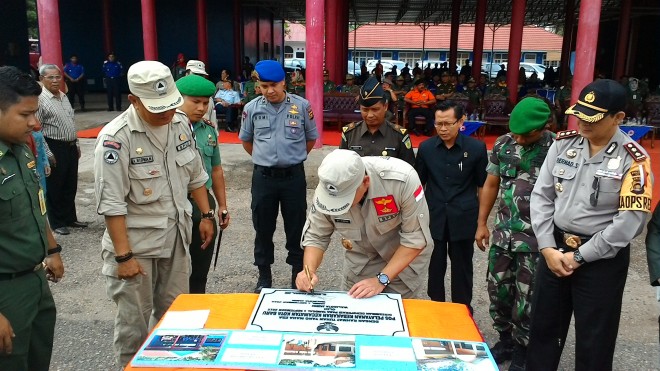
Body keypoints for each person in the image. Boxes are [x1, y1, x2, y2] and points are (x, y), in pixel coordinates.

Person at [94, 61, 214, 367]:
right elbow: (111, 203)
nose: (167, 113)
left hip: (176, 238)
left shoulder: (178, 124)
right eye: (157, 108)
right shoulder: (116, 137)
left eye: (170, 105)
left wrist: (207, 214)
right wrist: (123, 257)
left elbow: (196, 174)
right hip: (137, 248)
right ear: (134, 99)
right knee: (134, 329)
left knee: (177, 320)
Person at [527, 79, 653, 370]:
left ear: (618, 117)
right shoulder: (564, 144)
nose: (583, 122)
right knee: (543, 332)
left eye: (593, 117)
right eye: (581, 114)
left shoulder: (634, 160)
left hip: (601, 261)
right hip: (555, 251)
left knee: (594, 341)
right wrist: (547, 247)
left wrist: (581, 256)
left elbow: (629, 222)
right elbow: (541, 196)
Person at [474, 97, 554, 370]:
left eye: (526, 134)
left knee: (528, 299)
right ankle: (505, 339)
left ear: (544, 126)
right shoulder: (503, 143)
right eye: (516, 132)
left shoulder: (557, 147)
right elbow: (491, 183)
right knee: (498, 292)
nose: (519, 139)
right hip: (503, 235)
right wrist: (482, 223)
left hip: (536, 240)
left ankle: (523, 348)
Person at [296, 149, 433, 298]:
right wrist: (308, 271)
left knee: (396, 315)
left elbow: (415, 238)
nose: (339, 205)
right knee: (353, 314)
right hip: (360, 262)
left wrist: (381, 279)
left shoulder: (402, 180)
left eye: (345, 199)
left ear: (365, 182)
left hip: (403, 263)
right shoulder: (328, 189)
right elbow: (317, 235)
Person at [0, 65, 64, 371]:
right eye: (25, 115)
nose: (35, 123)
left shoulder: (20, 152)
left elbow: (35, 207)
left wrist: (52, 250)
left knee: (38, 360)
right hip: (6, 292)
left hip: (35, 279)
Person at [239, 60, 319, 293]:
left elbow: (310, 138)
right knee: (263, 227)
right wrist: (265, 159)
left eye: (274, 85)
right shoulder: (251, 108)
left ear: (284, 82)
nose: (269, 90)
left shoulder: (302, 106)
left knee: (296, 227)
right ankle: (264, 275)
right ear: (258, 86)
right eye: (264, 86)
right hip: (263, 178)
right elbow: (246, 141)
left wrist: (292, 157)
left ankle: (298, 274)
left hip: (293, 177)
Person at [415, 100, 488, 313]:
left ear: (461, 121)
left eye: (448, 123)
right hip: (434, 215)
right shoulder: (427, 148)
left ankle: (462, 309)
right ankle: (437, 308)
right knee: (435, 266)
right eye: (439, 124)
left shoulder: (476, 148)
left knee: (462, 268)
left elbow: (483, 186)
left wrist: (482, 222)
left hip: (463, 216)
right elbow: (419, 184)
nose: (443, 129)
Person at [175, 75, 231, 293]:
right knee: (173, 267)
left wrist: (222, 206)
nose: (201, 108)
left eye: (205, 103)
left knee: (200, 266)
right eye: (195, 102)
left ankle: (196, 305)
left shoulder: (208, 129)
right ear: (178, 99)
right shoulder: (167, 129)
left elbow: (216, 170)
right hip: (177, 201)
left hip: (203, 203)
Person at [36, 64, 86, 236]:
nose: (56, 80)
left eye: (58, 76)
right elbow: (37, 129)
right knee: (56, 185)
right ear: (42, 79)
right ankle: (57, 222)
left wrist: (77, 144)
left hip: (70, 145)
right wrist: (47, 153)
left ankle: (70, 218)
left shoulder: (63, 96)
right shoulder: (41, 100)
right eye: (51, 77)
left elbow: (71, 122)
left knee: (70, 184)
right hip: (54, 146)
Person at [339, 77, 415, 166]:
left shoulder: (399, 135)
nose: (370, 115)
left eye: (375, 109)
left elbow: (409, 169)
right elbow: (342, 167)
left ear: (385, 106)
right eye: (365, 110)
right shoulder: (350, 133)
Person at [184, 59, 216, 124]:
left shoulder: (208, 98)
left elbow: (213, 121)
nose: (199, 78)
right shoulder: (177, 95)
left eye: (201, 75)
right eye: (196, 74)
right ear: (186, 74)